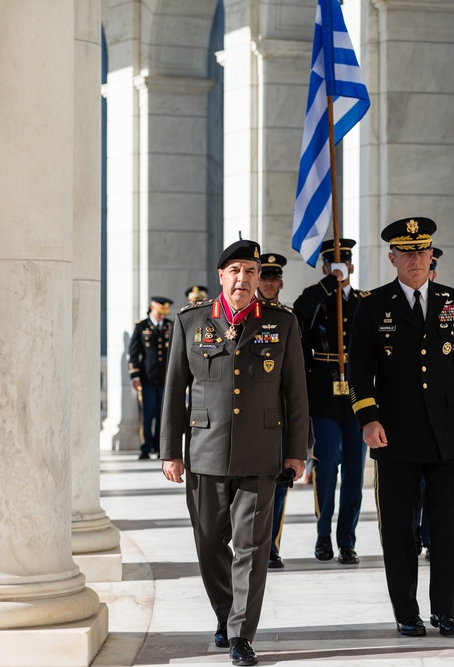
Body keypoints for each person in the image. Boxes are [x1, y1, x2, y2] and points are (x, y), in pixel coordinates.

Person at [159, 239, 310, 667]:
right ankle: (226, 615)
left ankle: (242, 634)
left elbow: (296, 393)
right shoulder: (192, 321)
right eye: (235, 271)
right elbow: (174, 391)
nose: (243, 279)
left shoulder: (281, 323)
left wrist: (296, 451)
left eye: (251, 271)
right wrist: (171, 451)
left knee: (251, 547)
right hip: (204, 453)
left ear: (258, 278)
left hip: (261, 454)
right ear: (221, 276)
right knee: (209, 543)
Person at [349, 217, 454, 638]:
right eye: (406, 253)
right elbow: (359, 369)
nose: (415, 259)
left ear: (431, 256)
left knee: (448, 528)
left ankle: (445, 610)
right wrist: (368, 419)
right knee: (399, 529)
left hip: (446, 434)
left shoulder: (452, 301)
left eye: (422, 251)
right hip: (394, 435)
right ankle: (406, 611)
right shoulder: (372, 305)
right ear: (392, 257)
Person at [293, 238, 366, 565]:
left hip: (357, 397)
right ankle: (324, 536)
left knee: (354, 472)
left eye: (344, 263)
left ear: (351, 265)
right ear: (324, 267)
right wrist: (327, 285)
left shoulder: (364, 301)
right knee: (326, 468)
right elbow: (299, 311)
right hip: (323, 396)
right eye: (332, 264)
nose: (339, 268)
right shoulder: (316, 300)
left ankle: (346, 540)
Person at [255, 252, 294, 569]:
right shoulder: (242, 316)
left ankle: (270, 546)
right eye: (263, 278)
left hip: (278, 416)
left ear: (280, 282)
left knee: (278, 484)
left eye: (273, 278)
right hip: (247, 416)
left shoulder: (287, 318)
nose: (268, 283)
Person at [415, 246, 445, 559]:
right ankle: (414, 533)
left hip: (440, 415)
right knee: (415, 487)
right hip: (410, 416)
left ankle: (428, 535)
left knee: (434, 487)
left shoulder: (448, 304)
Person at [128, 296, 174, 460]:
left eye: (164, 313)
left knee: (164, 415)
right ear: (152, 308)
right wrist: (135, 376)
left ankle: (160, 446)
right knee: (147, 415)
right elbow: (134, 353)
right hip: (147, 379)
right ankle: (146, 446)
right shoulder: (142, 326)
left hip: (166, 379)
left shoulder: (170, 325)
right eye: (160, 312)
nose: (162, 316)